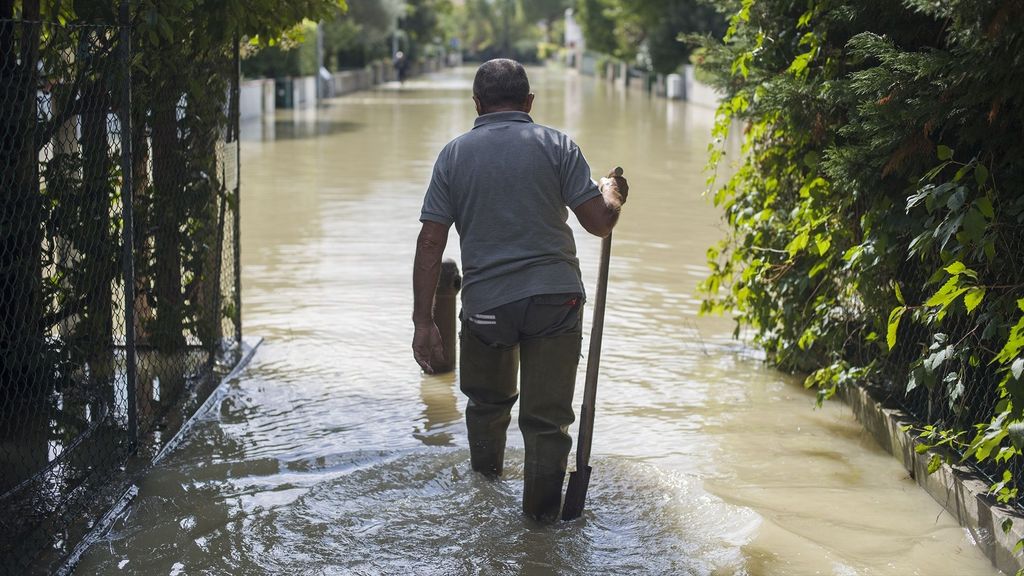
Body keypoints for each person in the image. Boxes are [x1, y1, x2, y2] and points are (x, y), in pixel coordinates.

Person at [411, 59, 627, 522]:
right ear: (529, 102)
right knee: (547, 423)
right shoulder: (557, 145)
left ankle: (484, 503)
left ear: (476, 104)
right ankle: (541, 530)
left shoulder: (453, 155)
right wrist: (612, 193)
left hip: (487, 308)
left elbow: (431, 241)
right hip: (555, 301)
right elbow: (599, 224)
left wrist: (424, 322)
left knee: (487, 407)